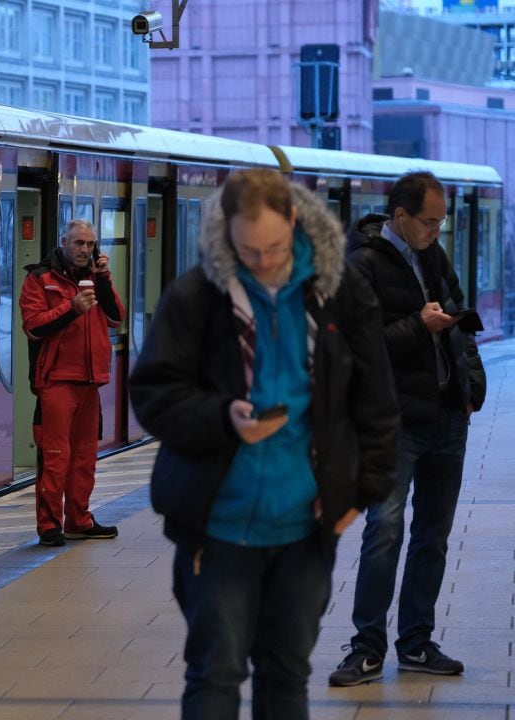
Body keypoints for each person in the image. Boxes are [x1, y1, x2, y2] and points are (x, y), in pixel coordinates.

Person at [129, 168, 399, 720]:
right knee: (215, 674)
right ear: (227, 233)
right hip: (218, 527)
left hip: (305, 526)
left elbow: (377, 404)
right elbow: (154, 393)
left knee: (285, 676)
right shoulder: (198, 294)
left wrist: (357, 498)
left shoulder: (339, 292)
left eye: (275, 247)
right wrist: (223, 416)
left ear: (295, 222)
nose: (265, 261)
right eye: (248, 250)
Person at [328, 171, 486, 686]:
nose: (436, 231)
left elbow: (462, 323)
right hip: (393, 422)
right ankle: (366, 647)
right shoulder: (361, 266)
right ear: (400, 216)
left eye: (441, 222)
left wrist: (471, 387)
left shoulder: (435, 258)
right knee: (385, 532)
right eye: (429, 221)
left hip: (446, 419)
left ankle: (416, 642)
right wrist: (418, 325)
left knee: (433, 537)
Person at [20, 218, 125, 547]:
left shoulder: (96, 279)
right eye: (79, 243)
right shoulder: (40, 279)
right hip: (56, 382)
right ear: (64, 242)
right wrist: (71, 308)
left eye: (91, 244)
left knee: (85, 456)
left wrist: (105, 279)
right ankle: (49, 525)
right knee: (55, 455)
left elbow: (116, 317)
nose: (85, 250)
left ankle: (79, 519)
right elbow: (33, 325)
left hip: (90, 382)